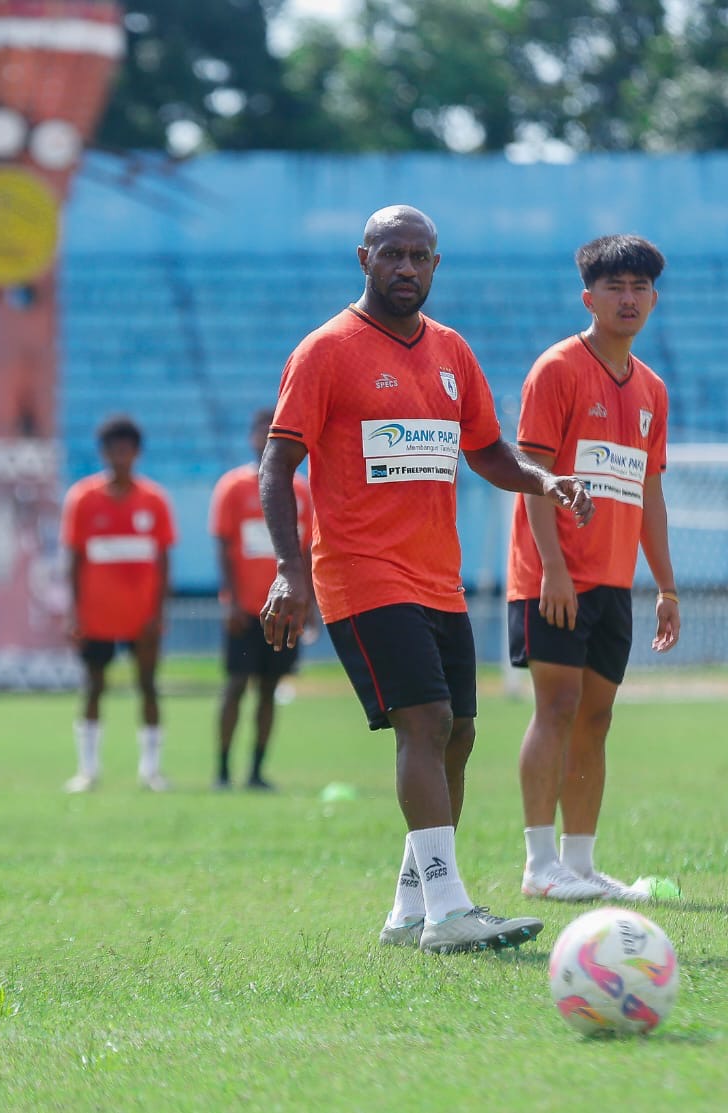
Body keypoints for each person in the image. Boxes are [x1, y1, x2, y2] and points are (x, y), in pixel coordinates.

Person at [257, 204, 594, 955]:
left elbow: (488, 450)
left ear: (436, 265)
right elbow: (278, 464)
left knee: (459, 734)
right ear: (364, 258)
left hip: (438, 578)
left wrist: (544, 480)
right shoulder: (325, 351)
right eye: (392, 253)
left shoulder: (451, 351)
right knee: (426, 723)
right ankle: (448, 910)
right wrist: (288, 568)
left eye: (419, 256)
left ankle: (409, 912)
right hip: (361, 572)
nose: (406, 267)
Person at [508, 234, 681, 902]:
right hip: (554, 578)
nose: (628, 299)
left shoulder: (652, 389)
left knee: (597, 718)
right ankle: (538, 864)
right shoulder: (557, 369)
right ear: (589, 298)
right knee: (556, 706)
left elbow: (649, 492)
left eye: (640, 287)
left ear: (654, 298)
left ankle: (580, 864)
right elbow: (532, 476)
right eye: (615, 287)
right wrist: (551, 568)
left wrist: (665, 585)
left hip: (613, 582)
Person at [60, 415, 177, 793]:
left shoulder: (154, 500)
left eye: (126, 450)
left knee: (148, 686)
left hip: (141, 618)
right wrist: (74, 614)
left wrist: (158, 613)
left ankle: (151, 771)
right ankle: (88, 771)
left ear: (137, 453)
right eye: (114, 450)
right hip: (96, 616)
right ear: (104, 453)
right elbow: (73, 560)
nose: (120, 457)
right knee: (93, 687)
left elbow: (163, 561)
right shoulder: (82, 499)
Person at [209, 407, 313, 791]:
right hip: (246, 609)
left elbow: (307, 551)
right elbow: (223, 547)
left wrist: (310, 603)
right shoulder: (233, 487)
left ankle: (255, 771)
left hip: (284, 610)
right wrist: (231, 601)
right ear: (253, 437)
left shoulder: (301, 491)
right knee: (235, 686)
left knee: (270, 689)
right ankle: (222, 771)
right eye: (261, 432)